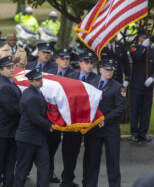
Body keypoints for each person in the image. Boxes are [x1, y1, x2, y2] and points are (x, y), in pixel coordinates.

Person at [83, 59, 126, 187]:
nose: (109, 72)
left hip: (110, 129)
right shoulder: (92, 83)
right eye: (107, 69)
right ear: (100, 69)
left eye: (111, 70)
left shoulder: (119, 87)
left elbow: (121, 108)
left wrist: (105, 120)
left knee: (113, 162)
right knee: (92, 160)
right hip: (94, 130)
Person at [59, 52, 99, 187]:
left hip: (90, 123)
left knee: (90, 153)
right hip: (74, 121)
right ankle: (67, 179)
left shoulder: (97, 79)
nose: (89, 65)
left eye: (91, 63)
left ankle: (88, 182)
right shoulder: (70, 77)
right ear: (80, 63)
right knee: (69, 151)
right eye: (87, 62)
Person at [14, 68, 54, 187]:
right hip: (27, 138)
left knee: (44, 165)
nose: (41, 81)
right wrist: (49, 125)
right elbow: (35, 118)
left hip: (38, 137)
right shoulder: (30, 96)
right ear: (31, 81)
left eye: (41, 78)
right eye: (38, 80)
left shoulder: (35, 92)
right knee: (22, 168)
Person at [0, 56, 22, 187]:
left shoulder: (8, 82)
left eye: (12, 66)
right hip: (1, 133)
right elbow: (13, 109)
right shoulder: (3, 86)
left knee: (9, 163)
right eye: (8, 67)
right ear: (0, 70)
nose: (12, 69)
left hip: (7, 131)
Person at [46, 48, 74, 183]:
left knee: (69, 150)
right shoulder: (49, 74)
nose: (65, 61)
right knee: (50, 147)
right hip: (53, 117)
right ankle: (48, 173)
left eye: (67, 59)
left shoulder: (74, 75)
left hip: (68, 117)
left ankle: (67, 179)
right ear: (56, 60)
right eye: (62, 58)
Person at [129, 30, 154, 142]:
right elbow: (136, 57)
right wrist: (142, 47)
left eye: (147, 37)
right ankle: (134, 132)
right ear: (139, 38)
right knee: (135, 110)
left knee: (146, 111)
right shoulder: (134, 48)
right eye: (143, 37)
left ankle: (143, 133)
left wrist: (152, 77)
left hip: (148, 86)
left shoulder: (153, 51)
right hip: (137, 86)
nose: (146, 39)